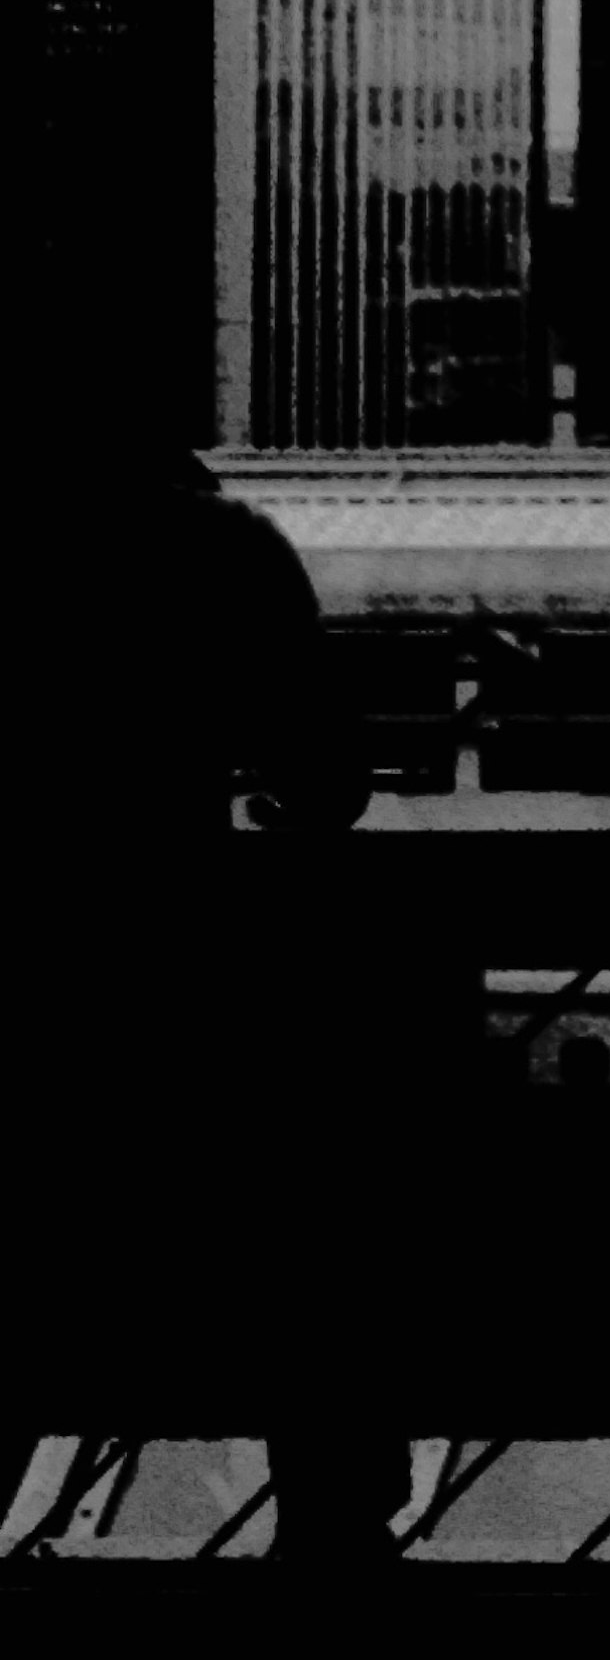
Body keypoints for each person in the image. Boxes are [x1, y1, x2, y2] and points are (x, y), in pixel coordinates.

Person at [0, 374, 407, 1569]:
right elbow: (327, 781)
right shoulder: (220, 549)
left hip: (39, 1037)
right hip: (168, 989)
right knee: (311, 1239)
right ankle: (334, 1533)